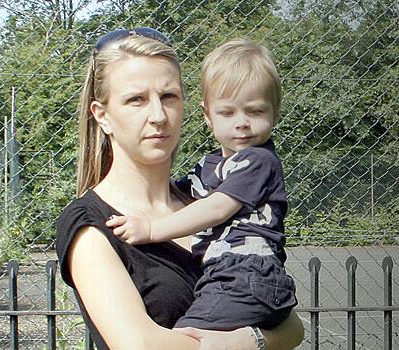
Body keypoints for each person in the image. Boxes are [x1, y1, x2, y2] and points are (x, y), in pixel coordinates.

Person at [56, 28, 304, 349]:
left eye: (169, 97)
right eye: (137, 100)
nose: (158, 116)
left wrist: (249, 340)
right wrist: (232, 345)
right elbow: (140, 344)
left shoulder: (206, 197)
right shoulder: (92, 226)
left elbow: (291, 325)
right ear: (102, 115)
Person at [107, 39, 297, 331]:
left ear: (275, 111)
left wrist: (151, 229)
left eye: (255, 111)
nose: (242, 123)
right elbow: (181, 190)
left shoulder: (260, 161)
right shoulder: (209, 167)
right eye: (227, 113)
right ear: (207, 115)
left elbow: (217, 207)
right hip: (223, 276)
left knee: (186, 337)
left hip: (248, 273)